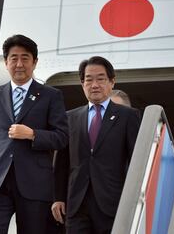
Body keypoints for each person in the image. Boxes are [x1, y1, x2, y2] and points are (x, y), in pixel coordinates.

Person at [0, 34, 69, 234]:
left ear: (35, 62)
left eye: (25, 58)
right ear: (6, 62)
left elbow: (62, 138)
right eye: (14, 58)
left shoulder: (51, 96)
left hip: (35, 184)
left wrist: (33, 134)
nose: (19, 64)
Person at [52, 56, 141, 233]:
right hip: (76, 203)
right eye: (89, 79)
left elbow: (136, 161)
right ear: (82, 84)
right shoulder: (70, 118)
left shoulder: (129, 116)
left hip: (113, 202)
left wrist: (133, 198)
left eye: (100, 79)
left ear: (112, 82)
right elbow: (61, 163)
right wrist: (58, 198)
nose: (94, 85)